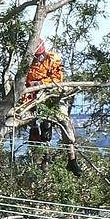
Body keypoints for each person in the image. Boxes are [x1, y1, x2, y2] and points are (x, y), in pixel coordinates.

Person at [24, 38, 82, 177]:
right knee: (41, 128)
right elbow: (26, 82)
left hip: (53, 95)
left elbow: (58, 79)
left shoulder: (52, 58)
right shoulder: (28, 64)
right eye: (36, 56)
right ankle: (44, 158)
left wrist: (39, 83)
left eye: (40, 55)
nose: (38, 59)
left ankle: (72, 159)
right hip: (35, 98)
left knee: (65, 122)